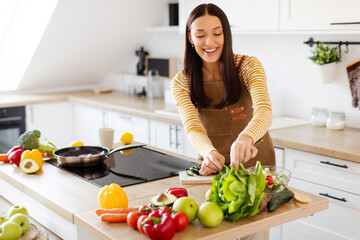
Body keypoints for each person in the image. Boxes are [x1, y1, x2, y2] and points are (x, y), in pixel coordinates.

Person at [171, 3, 276, 176]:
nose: (209, 42)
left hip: (258, 166)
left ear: (226, 34)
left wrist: (246, 137)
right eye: (200, 35)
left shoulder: (248, 66)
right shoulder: (182, 82)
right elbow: (193, 128)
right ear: (190, 37)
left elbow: (264, 110)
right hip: (214, 168)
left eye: (217, 33)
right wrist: (209, 153)